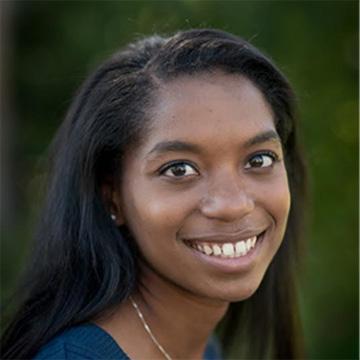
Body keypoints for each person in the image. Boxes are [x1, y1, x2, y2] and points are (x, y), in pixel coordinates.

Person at [1, 28, 308, 359]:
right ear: (112, 195)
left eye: (258, 160)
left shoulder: (203, 350)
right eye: (179, 170)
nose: (233, 205)